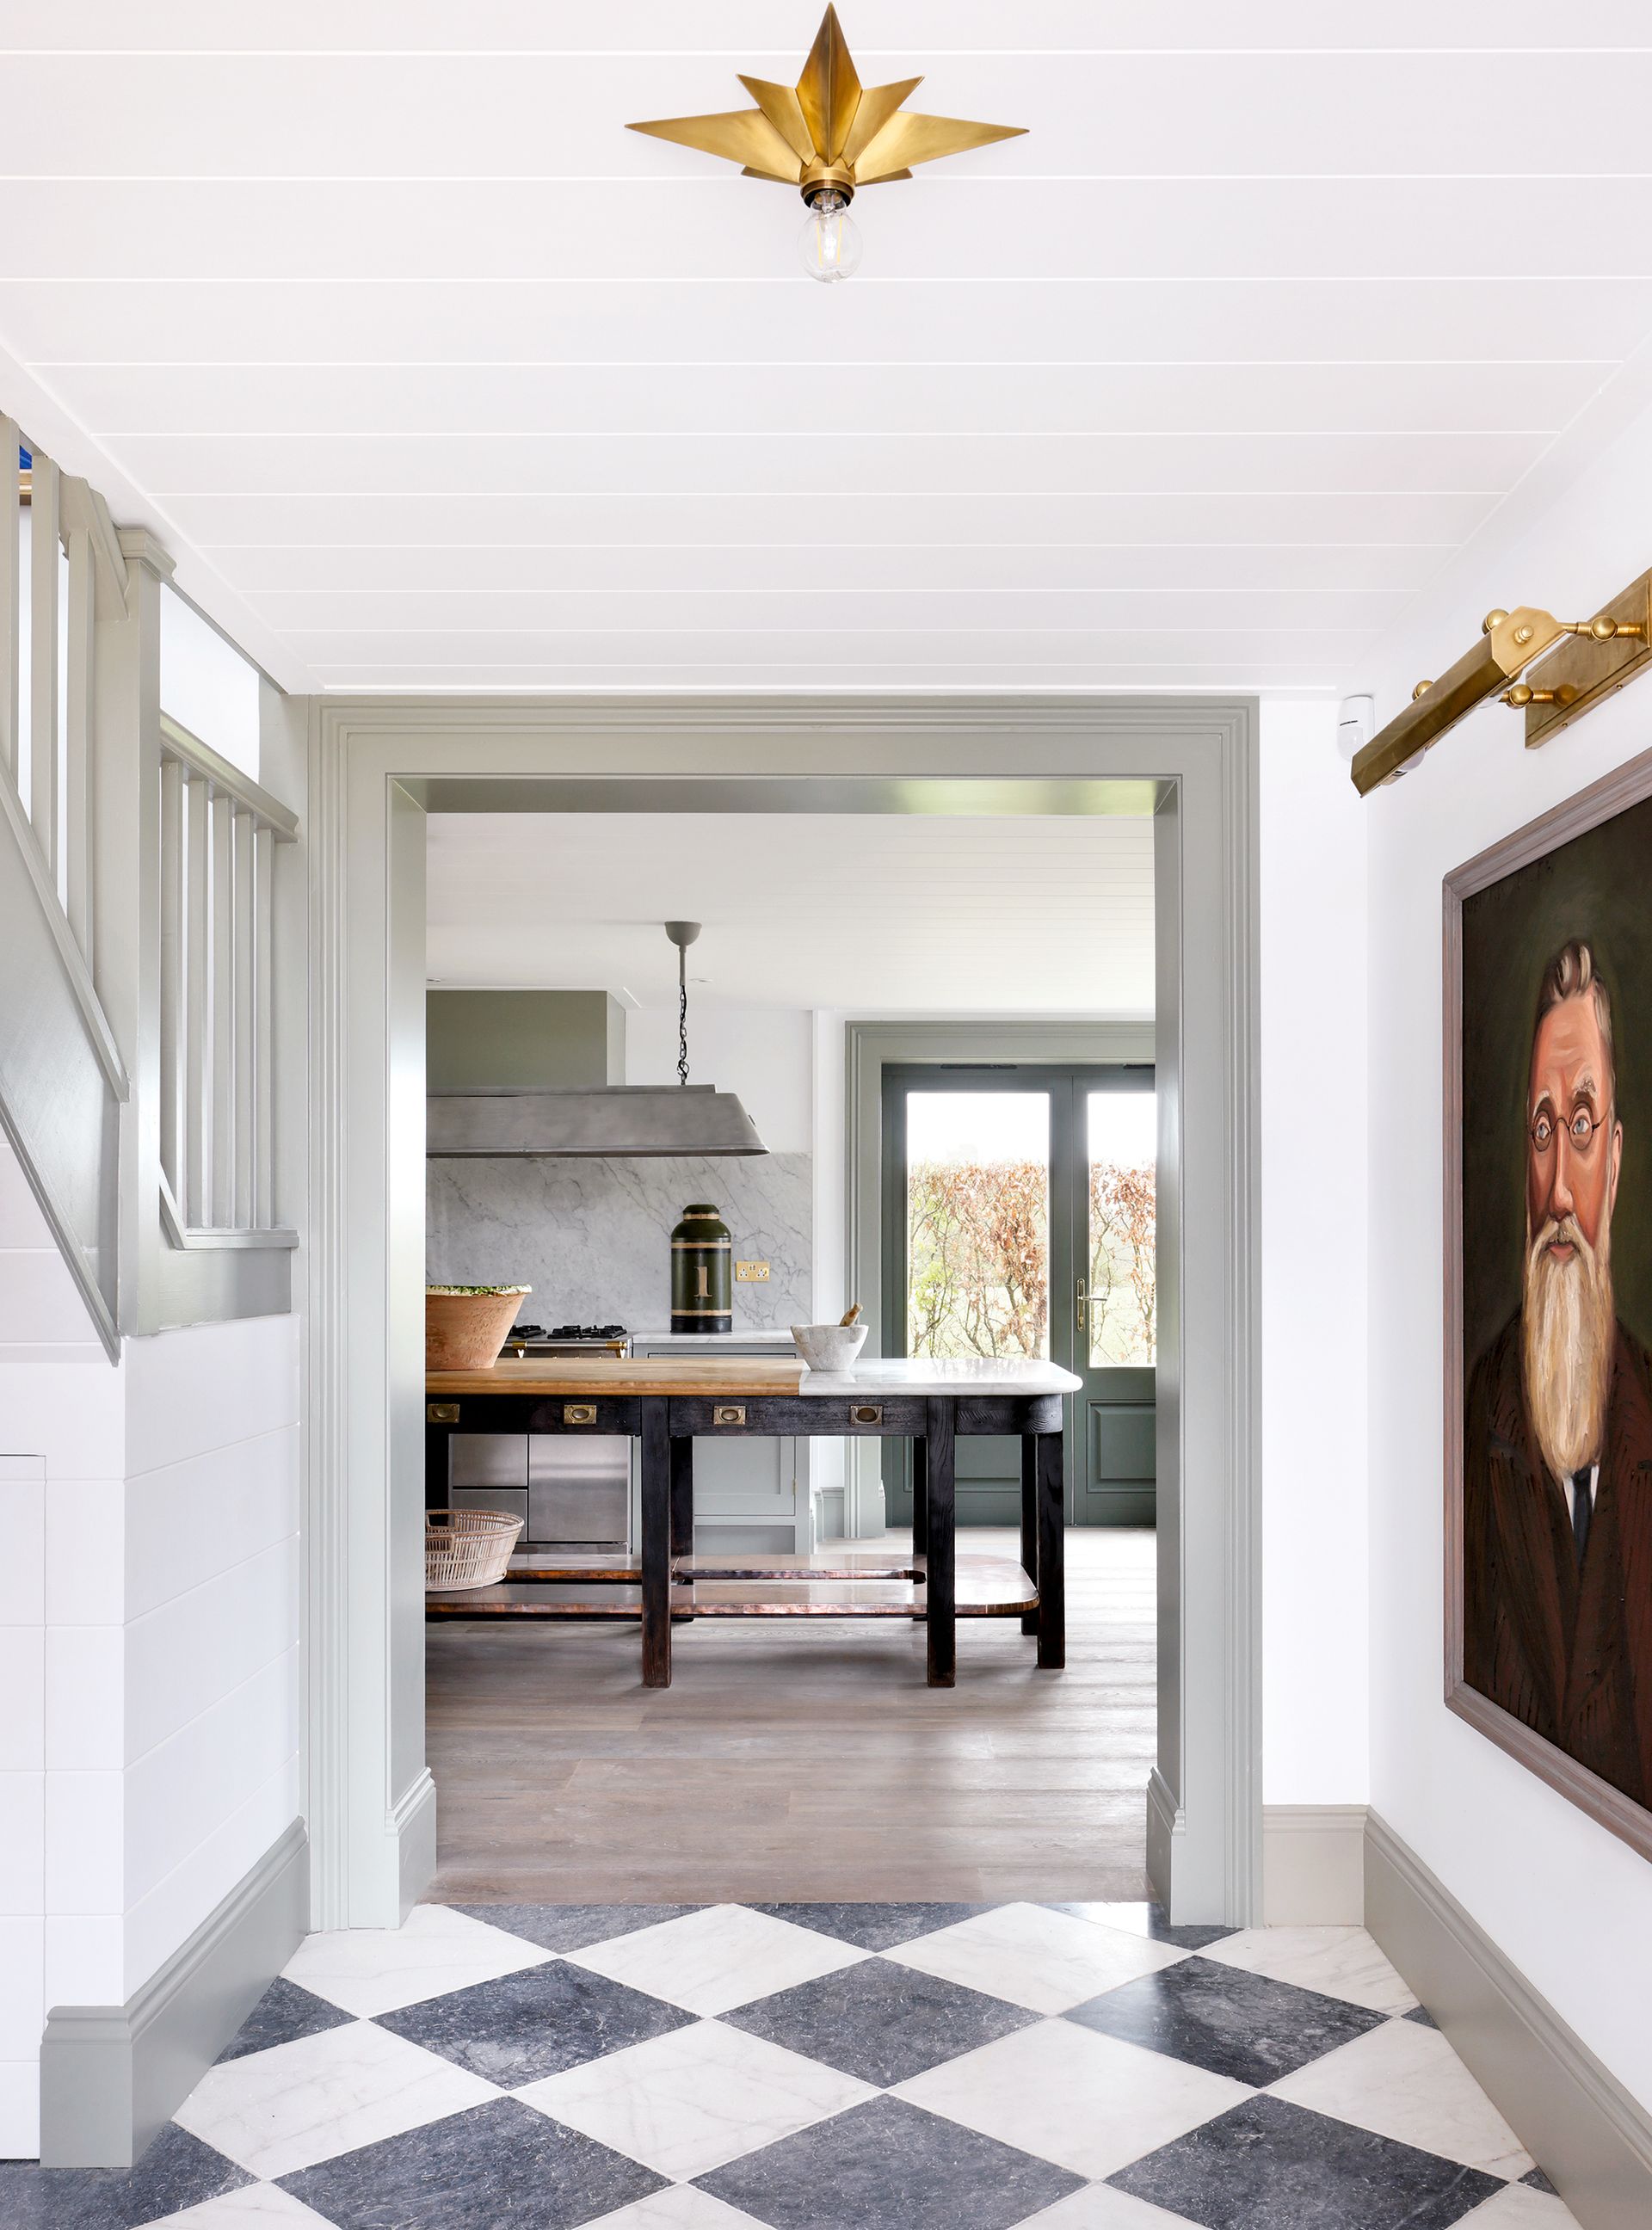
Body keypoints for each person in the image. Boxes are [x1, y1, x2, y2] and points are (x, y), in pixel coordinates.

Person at [1463, 938, 1652, 1805]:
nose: (1562, 1195)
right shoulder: (1479, 1408)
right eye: (1544, 1130)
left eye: (1582, 1125)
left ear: (1614, 1160)